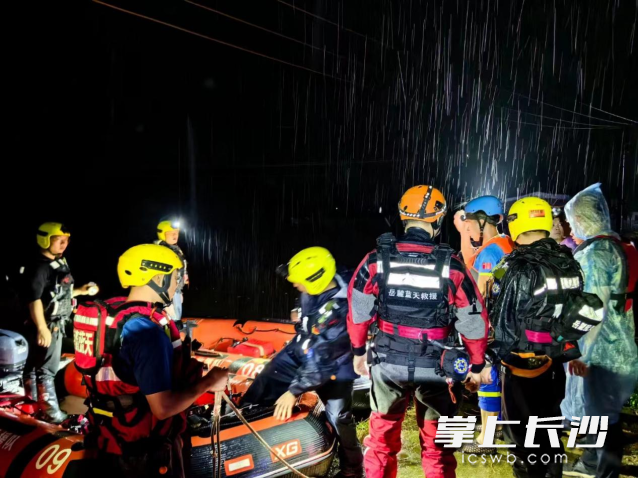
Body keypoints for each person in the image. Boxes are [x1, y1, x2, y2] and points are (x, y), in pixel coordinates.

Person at [347, 185, 490, 478]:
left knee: (381, 442)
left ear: (403, 218)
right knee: (439, 448)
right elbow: (474, 321)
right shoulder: (452, 266)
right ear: (437, 222)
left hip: (388, 364)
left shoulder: (376, 260)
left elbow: (358, 312)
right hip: (438, 368)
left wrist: (359, 352)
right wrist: (476, 364)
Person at [73, 244, 228, 477]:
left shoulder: (112, 319)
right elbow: (163, 408)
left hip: (110, 441)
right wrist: (209, 382)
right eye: (175, 276)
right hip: (145, 455)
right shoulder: (148, 332)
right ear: (158, 277)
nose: (179, 283)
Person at [491, 197, 603, 478]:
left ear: (516, 224)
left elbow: (503, 321)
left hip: (521, 367)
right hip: (555, 363)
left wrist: (484, 361)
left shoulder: (517, 266)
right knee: (550, 434)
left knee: (522, 441)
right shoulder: (568, 260)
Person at [242, 247, 364, 478]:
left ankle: (353, 469)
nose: (295, 286)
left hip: (335, 365)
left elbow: (322, 360)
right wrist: (302, 323)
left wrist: (294, 391)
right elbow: (312, 325)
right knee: (267, 379)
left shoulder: (339, 309)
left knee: (339, 417)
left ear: (315, 281)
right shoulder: (323, 279)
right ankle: (245, 427)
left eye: (299, 283)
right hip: (303, 347)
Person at [561, 184, 638, 478]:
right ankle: (595, 465)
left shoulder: (595, 254)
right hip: (615, 346)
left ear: (585, 219)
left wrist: (581, 353)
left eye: (572, 220)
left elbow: (593, 307)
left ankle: (604, 472)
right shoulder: (611, 246)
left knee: (605, 420)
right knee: (604, 417)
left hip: (602, 350)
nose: (569, 228)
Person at [20, 222, 97, 423]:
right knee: (47, 369)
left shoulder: (58, 263)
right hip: (47, 324)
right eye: (58, 240)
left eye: (66, 240)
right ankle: (51, 413)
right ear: (45, 240)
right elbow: (34, 299)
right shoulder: (39, 267)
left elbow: (58, 293)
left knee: (37, 367)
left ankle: (33, 404)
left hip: (55, 323)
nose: (64, 244)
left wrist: (82, 290)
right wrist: (42, 328)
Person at [460, 195, 514, 454]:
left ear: (483, 222)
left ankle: (487, 439)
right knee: (502, 378)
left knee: (487, 379)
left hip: (492, 326)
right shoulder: (507, 244)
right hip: (510, 324)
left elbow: (480, 297)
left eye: (469, 223)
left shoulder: (489, 253)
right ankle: (501, 427)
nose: (467, 229)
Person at [155, 219, 189, 323]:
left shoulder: (175, 248)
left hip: (176, 288)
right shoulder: (161, 250)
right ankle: (169, 333)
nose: (175, 235)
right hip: (167, 291)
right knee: (171, 316)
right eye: (171, 233)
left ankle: (173, 329)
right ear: (162, 234)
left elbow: (181, 265)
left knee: (177, 314)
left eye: (177, 233)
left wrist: (185, 277)